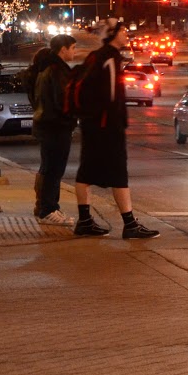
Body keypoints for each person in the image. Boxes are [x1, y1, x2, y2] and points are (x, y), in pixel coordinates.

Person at [73, 21, 160, 239]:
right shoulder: (110, 58)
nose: (127, 34)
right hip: (107, 126)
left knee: (86, 171)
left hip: (92, 124)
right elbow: (111, 96)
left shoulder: (97, 56)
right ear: (113, 34)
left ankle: (84, 220)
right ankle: (130, 224)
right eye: (123, 31)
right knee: (119, 174)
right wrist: (115, 124)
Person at [29, 34, 80, 226]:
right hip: (55, 126)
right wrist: (72, 118)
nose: (74, 52)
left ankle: (48, 207)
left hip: (48, 125)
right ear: (63, 49)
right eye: (73, 48)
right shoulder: (57, 71)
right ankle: (48, 209)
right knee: (54, 169)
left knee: (49, 168)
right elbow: (63, 101)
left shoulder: (48, 68)